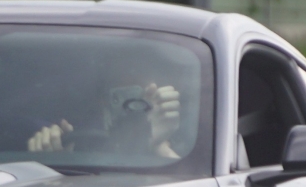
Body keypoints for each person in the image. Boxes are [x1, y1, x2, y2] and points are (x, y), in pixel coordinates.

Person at [27, 54, 187, 162]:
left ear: (156, 93)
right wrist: (54, 157)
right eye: (119, 94)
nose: (130, 106)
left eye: (139, 94)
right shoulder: (75, 138)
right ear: (102, 100)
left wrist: (156, 144)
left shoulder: (188, 139)